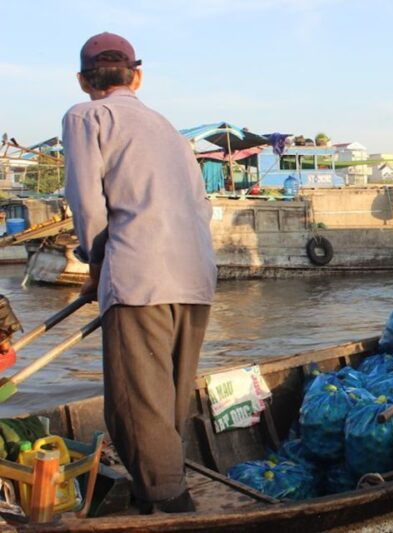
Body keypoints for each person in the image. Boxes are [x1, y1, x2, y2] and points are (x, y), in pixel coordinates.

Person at [63, 33, 217, 514]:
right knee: (168, 397)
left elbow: (88, 205)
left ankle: (170, 503)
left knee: (135, 404)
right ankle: (164, 489)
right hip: (195, 276)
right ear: (137, 76)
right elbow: (201, 206)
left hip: (138, 276)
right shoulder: (167, 126)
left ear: (84, 80)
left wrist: (96, 265)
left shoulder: (85, 115)